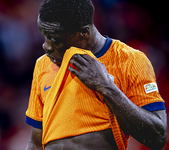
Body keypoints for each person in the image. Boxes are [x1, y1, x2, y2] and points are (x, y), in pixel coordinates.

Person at [25, 0, 167, 150]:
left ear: (84, 33)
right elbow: (35, 142)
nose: (46, 46)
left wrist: (105, 86)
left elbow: (158, 137)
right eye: (45, 36)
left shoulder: (130, 60)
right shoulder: (42, 64)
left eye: (56, 39)